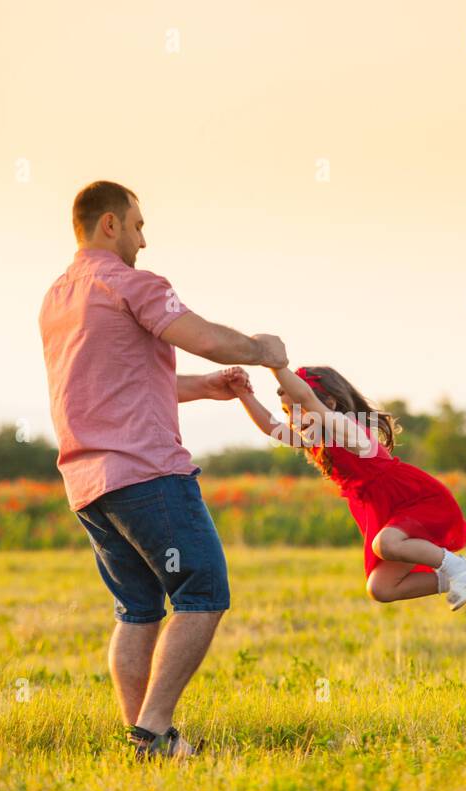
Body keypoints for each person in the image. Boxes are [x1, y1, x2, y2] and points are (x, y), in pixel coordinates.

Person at [38, 180, 288, 759]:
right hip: (147, 474)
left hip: (88, 483)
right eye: (138, 225)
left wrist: (206, 388)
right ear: (109, 224)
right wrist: (261, 349)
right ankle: (154, 729)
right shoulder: (132, 283)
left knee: (139, 608)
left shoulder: (57, 297)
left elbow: (117, 384)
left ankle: (146, 740)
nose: (144, 240)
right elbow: (202, 336)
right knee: (204, 591)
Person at [233, 364, 466, 610]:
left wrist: (275, 365)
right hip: (381, 508)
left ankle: (460, 569)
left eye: (299, 409)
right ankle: (462, 580)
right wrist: (243, 394)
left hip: (413, 498)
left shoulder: (349, 430)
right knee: (381, 588)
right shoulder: (315, 438)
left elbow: (310, 401)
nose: (294, 420)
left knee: (386, 543)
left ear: (328, 405)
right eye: (288, 413)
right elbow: (272, 428)